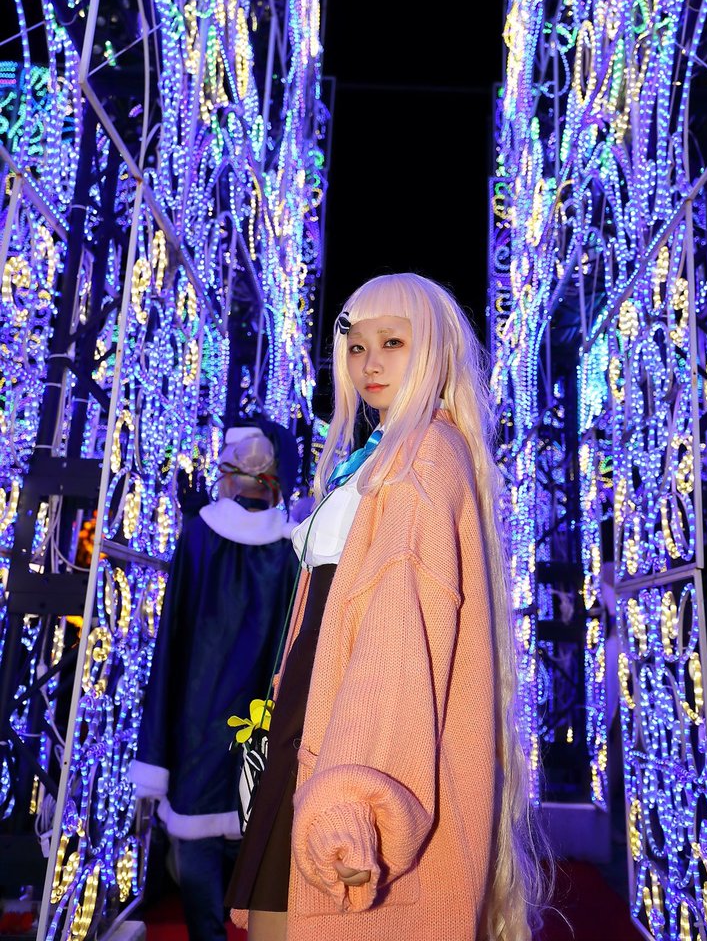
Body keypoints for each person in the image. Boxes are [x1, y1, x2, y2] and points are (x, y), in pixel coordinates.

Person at [225, 273, 549, 941]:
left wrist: (354, 802)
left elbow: (397, 644)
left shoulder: (423, 456)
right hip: (318, 727)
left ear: (432, 348)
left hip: (352, 748)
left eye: (393, 342)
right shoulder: (385, 456)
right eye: (356, 346)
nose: (370, 362)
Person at [129, 418, 301, 941]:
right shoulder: (291, 548)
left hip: (198, 714)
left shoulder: (200, 536)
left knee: (197, 832)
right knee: (256, 823)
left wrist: (158, 739)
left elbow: (174, 634)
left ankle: (209, 933)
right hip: (262, 714)